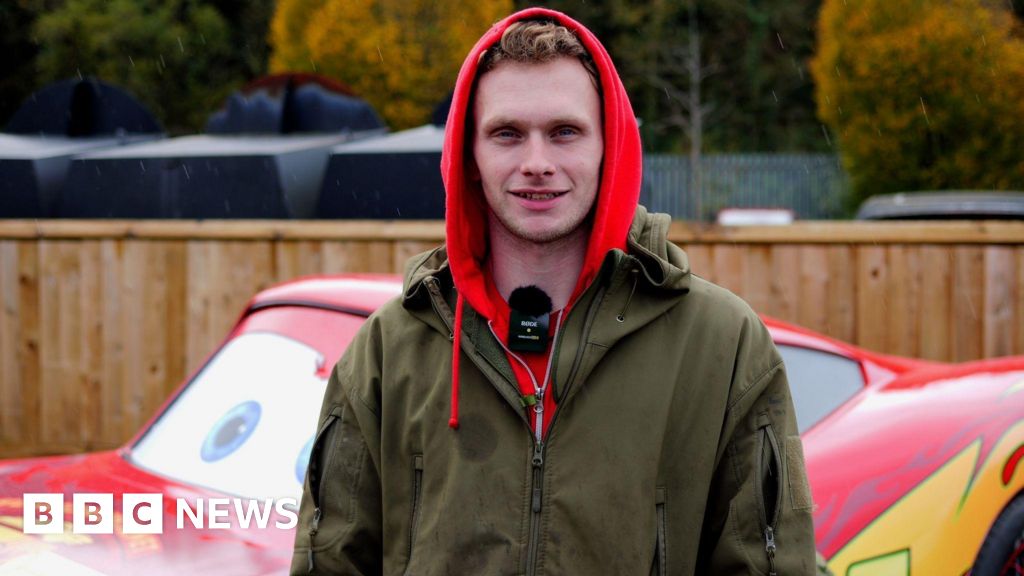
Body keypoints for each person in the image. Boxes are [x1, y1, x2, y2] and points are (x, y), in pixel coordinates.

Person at [291, 7, 817, 575]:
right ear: (470, 155)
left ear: (607, 146)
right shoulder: (388, 351)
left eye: (564, 132)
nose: (536, 163)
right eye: (507, 134)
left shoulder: (723, 346)